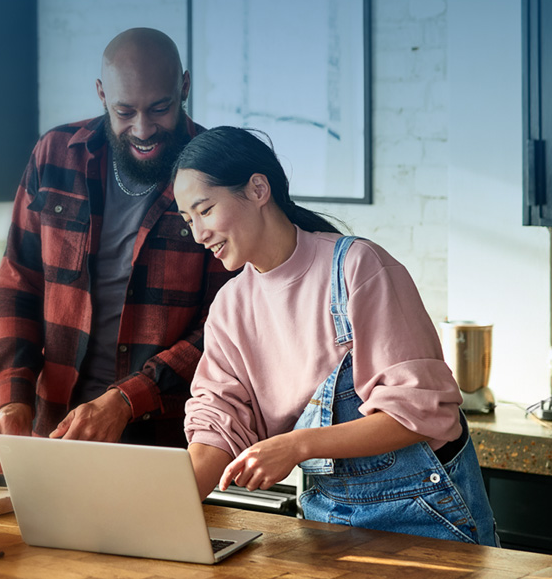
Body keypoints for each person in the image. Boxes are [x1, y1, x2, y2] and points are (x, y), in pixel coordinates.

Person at [174, 126, 498, 546]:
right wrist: (160, 514)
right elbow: (217, 425)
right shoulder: (229, 308)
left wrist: (296, 446)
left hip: (427, 517)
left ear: (257, 189)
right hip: (326, 520)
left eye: (205, 210)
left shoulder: (356, 267)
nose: (198, 234)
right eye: (188, 220)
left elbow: (420, 414)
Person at [0, 28, 229, 467]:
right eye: (125, 110)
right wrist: (13, 398)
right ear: (100, 94)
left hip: (167, 441)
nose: (144, 129)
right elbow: (19, 283)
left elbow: (226, 324)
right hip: (57, 431)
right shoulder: (55, 156)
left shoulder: (216, 175)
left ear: (184, 87)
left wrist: (127, 399)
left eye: (160, 108)